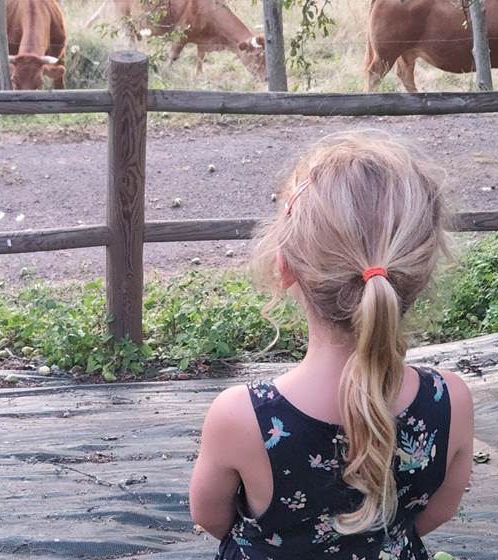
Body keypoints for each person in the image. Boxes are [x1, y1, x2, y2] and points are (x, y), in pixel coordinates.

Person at [188, 132, 474, 560]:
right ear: (421, 273)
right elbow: (439, 511)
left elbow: (211, 517)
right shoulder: (450, 400)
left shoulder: (240, 416)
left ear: (283, 267)